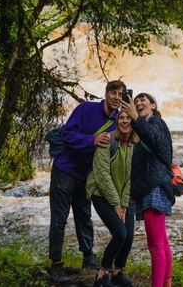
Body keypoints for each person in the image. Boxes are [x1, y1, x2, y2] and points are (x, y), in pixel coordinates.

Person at [48, 80, 126, 284]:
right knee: (59, 218)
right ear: (106, 93)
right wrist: (92, 140)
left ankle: (88, 257)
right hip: (64, 170)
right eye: (114, 92)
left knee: (84, 216)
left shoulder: (119, 118)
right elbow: (67, 134)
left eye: (121, 94)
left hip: (86, 176)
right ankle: (56, 264)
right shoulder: (85, 109)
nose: (117, 97)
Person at [120, 93, 175, 287]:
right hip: (151, 186)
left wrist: (135, 118)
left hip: (155, 187)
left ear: (153, 105)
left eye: (143, 100)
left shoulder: (156, 123)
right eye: (136, 101)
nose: (138, 103)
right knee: (162, 242)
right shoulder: (143, 126)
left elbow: (155, 140)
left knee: (155, 245)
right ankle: (166, 283)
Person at [86, 111, 137, 287]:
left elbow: (129, 177)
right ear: (116, 121)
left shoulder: (133, 144)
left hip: (121, 196)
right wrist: (116, 205)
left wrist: (123, 204)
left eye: (128, 118)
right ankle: (102, 275)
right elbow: (102, 176)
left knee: (129, 235)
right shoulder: (107, 141)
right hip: (101, 193)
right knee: (120, 234)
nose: (124, 121)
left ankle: (118, 272)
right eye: (121, 118)